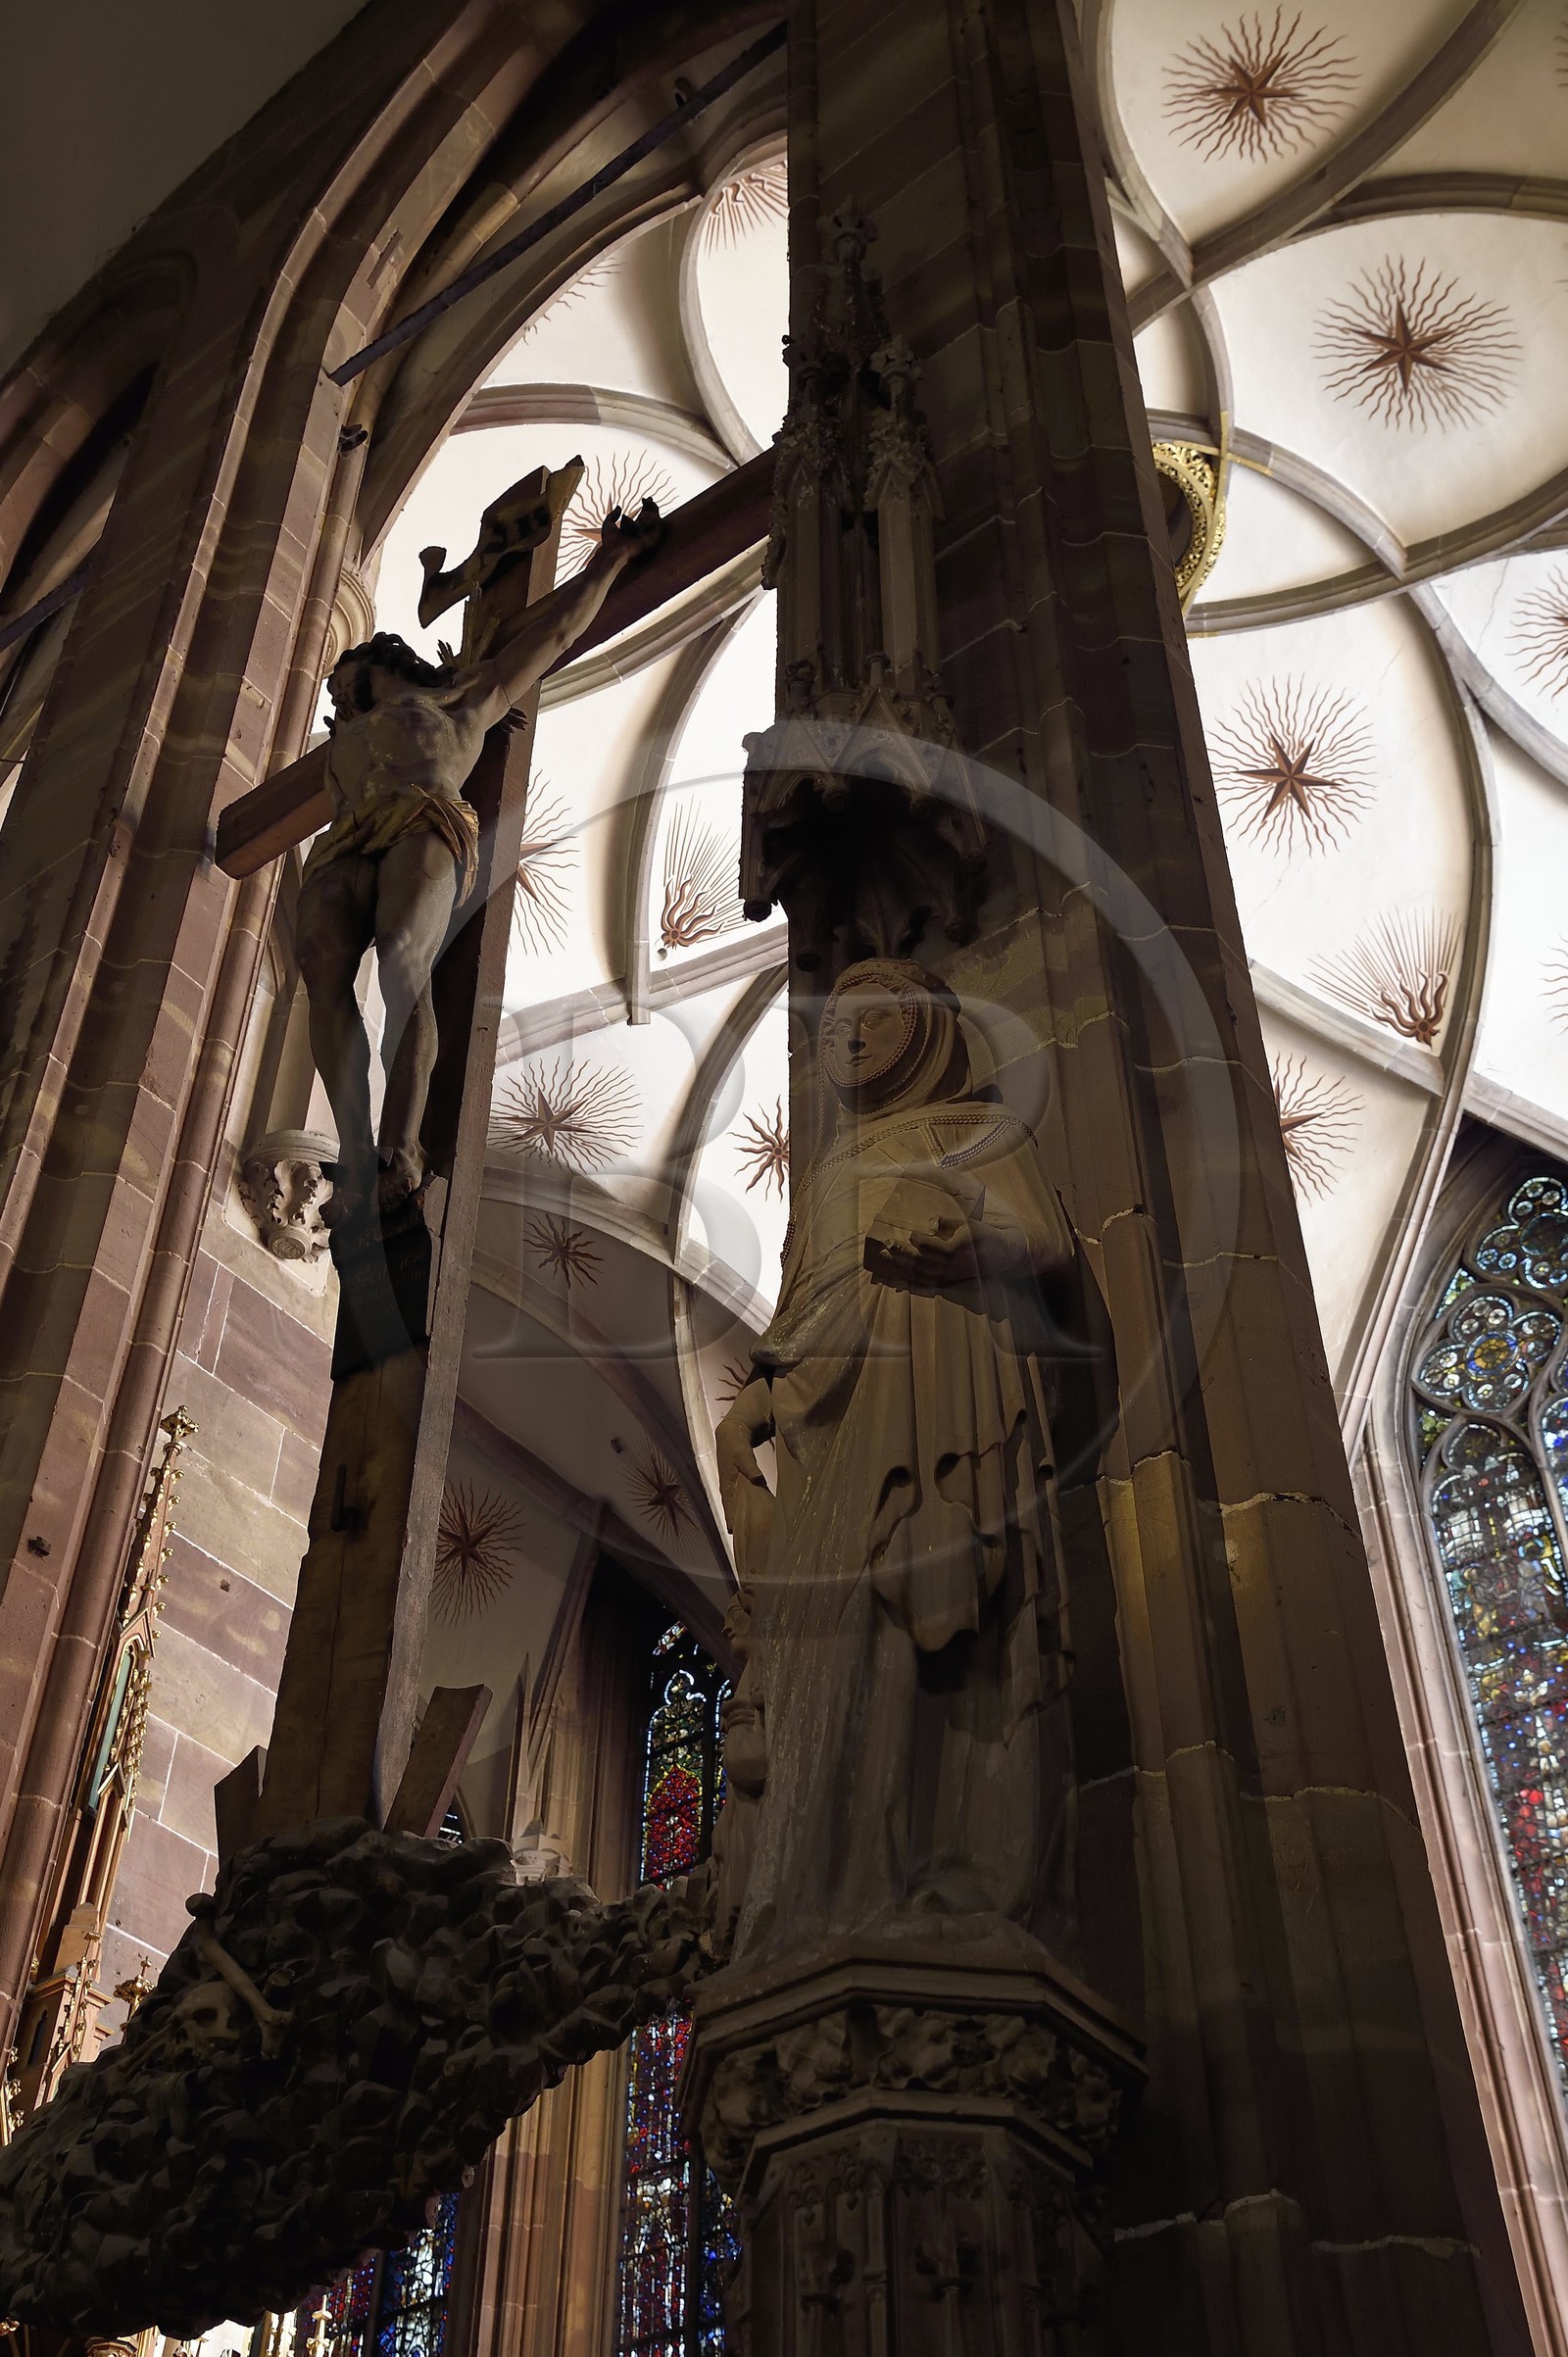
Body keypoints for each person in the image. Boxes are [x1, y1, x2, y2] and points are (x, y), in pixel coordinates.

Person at [713, 958, 1080, 1957]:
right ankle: (829, 1885)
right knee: (826, 1641)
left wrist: (966, 1237)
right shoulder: (828, 1170)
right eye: (835, 1029)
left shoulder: (970, 1126)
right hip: (829, 1415)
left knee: (933, 1615)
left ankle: (950, 1871)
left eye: (878, 1018)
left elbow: (1041, 1240)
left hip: (933, 1370)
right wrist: (747, 1407)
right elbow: (799, 1313)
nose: (852, 1039)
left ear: (929, 1027)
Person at [294, 495, 660, 1220]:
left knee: (404, 958)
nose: (335, 700)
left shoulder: (462, 698)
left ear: (375, 662)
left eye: (342, 683)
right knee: (324, 975)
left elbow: (552, 635)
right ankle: (358, 1155)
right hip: (343, 844)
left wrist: (609, 561)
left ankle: (402, 1150)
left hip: (422, 817)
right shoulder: (343, 744)